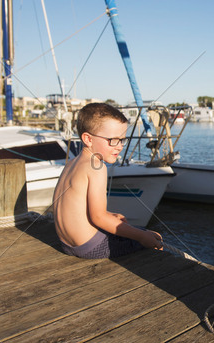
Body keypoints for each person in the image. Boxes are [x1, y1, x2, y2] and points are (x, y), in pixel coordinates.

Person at [53, 102, 163, 259]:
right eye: (113, 140)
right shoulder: (96, 167)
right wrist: (141, 236)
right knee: (152, 236)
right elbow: (98, 218)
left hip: (67, 244)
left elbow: (80, 209)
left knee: (130, 228)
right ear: (88, 139)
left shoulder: (72, 163)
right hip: (92, 248)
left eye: (122, 140)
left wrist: (110, 215)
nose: (119, 147)